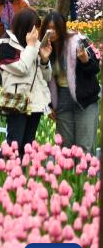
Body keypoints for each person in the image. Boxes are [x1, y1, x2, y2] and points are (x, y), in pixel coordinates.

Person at [0, 8, 51, 159]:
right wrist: (31, 47)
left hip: (35, 101)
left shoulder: (35, 45)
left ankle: (21, 178)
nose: (37, 33)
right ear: (25, 27)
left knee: (27, 145)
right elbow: (21, 68)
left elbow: (46, 76)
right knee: (14, 144)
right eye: (35, 28)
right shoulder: (5, 44)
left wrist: (45, 60)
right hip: (16, 100)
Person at [43, 11, 100, 153]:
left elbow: (94, 68)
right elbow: (42, 78)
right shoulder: (44, 47)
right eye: (49, 29)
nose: (53, 32)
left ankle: (85, 175)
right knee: (65, 147)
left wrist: (85, 61)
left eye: (56, 28)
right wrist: (48, 106)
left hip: (84, 97)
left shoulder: (77, 40)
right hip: (61, 97)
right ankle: (66, 175)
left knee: (84, 147)